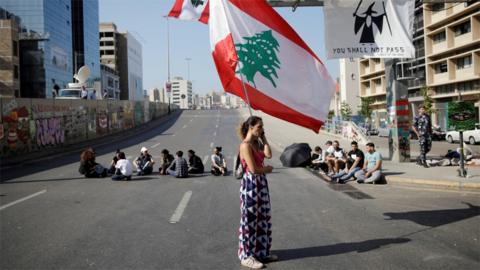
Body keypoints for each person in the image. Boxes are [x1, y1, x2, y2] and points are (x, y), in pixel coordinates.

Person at [237, 116, 275, 269]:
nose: (261, 129)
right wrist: (267, 169)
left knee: (263, 219)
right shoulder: (245, 146)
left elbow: (269, 154)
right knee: (249, 219)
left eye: (262, 127)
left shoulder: (257, 142)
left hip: (261, 184)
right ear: (251, 127)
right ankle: (246, 256)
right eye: (259, 127)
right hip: (250, 185)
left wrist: (264, 137)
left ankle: (261, 252)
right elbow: (253, 170)